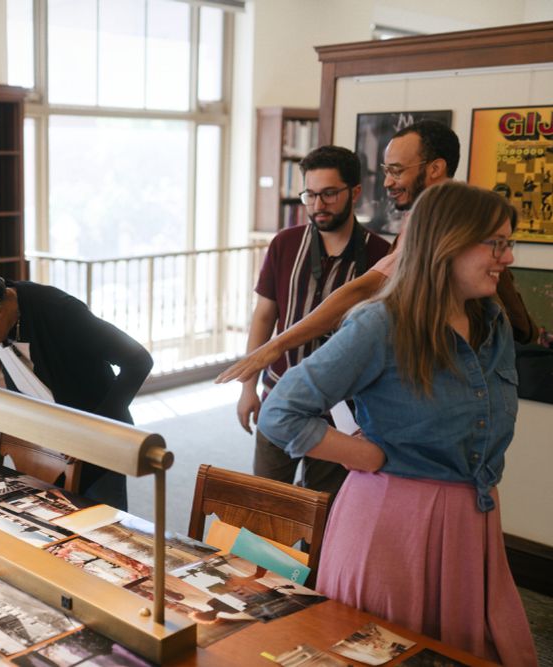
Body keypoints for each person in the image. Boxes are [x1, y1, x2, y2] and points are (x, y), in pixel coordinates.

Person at [257, 182, 537, 666]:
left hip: (472, 527)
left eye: (508, 243)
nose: (506, 257)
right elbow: (281, 412)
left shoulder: (493, 325)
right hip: (391, 531)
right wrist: (365, 455)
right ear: (447, 243)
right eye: (496, 243)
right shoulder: (379, 324)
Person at [217, 120, 538, 385]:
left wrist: (275, 346)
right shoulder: (427, 220)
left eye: (397, 171)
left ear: (436, 168)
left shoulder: (444, 223)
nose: (387, 182)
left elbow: (363, 288)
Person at [0, 262, 153, 510]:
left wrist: (93, 430)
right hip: (50, 444)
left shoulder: (59, 311)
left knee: (103, 527)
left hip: (98, 445)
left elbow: (138, 360)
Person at [237, 146, 390, 495]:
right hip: (279, 396)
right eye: (310, 195)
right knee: (265, 506)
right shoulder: (284, 243)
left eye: (329, 194)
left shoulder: (381, 256)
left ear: (354, 192)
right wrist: (248, 387)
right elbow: (263, 317)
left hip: (342, 413)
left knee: (323, 514)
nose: (318, 204)